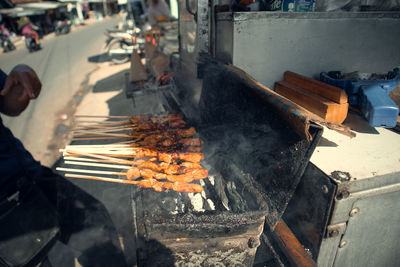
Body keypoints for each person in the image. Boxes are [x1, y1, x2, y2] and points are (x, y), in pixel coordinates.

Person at [0, 65, 127, 267]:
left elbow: (8, 103)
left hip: (28, 176)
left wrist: (21, 85)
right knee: (38, 259)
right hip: (4, 209)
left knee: (97, 223)